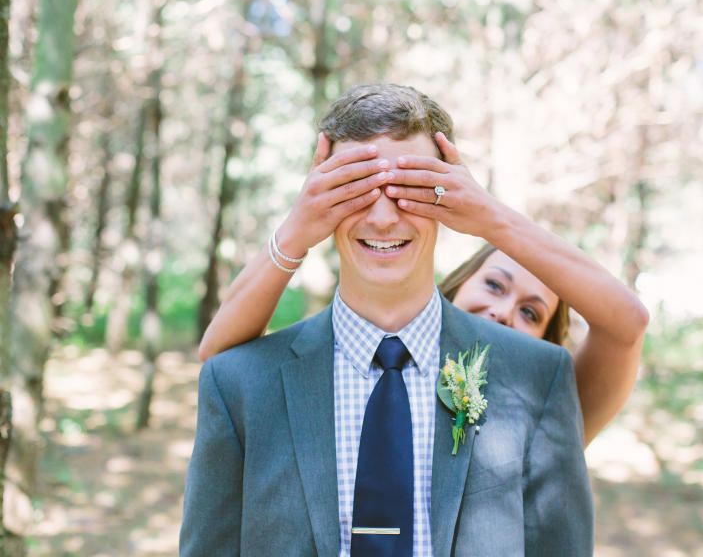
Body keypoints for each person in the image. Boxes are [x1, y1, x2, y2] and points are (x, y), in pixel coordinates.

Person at [181, 84, 594, 556]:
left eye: (408, 190)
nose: (381, 217)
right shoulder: (237, 384)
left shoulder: (540, 378)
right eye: (355, 189)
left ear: (447, 198)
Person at [197, 101, 649, 448]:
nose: (502, 312)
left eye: (532, 314)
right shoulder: (339, 364)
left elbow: (626, 323)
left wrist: (486, 214)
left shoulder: (547, 401)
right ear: (461, 280)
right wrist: (299, 228)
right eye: (494, 285)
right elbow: (220, 363)